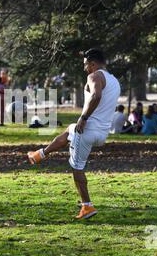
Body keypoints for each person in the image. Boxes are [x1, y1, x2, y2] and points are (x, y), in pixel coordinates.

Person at [27, 48, 120, 219]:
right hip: (102, 133)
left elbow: (96, 96)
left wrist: (83, 118)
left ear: (92, 64)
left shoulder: (94, 76)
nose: (84, 68)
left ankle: (87, 206)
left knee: (77, 168)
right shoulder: (114, 81)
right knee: (69, 130)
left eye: (85, 65)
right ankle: (40, 154)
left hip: (86, 131)